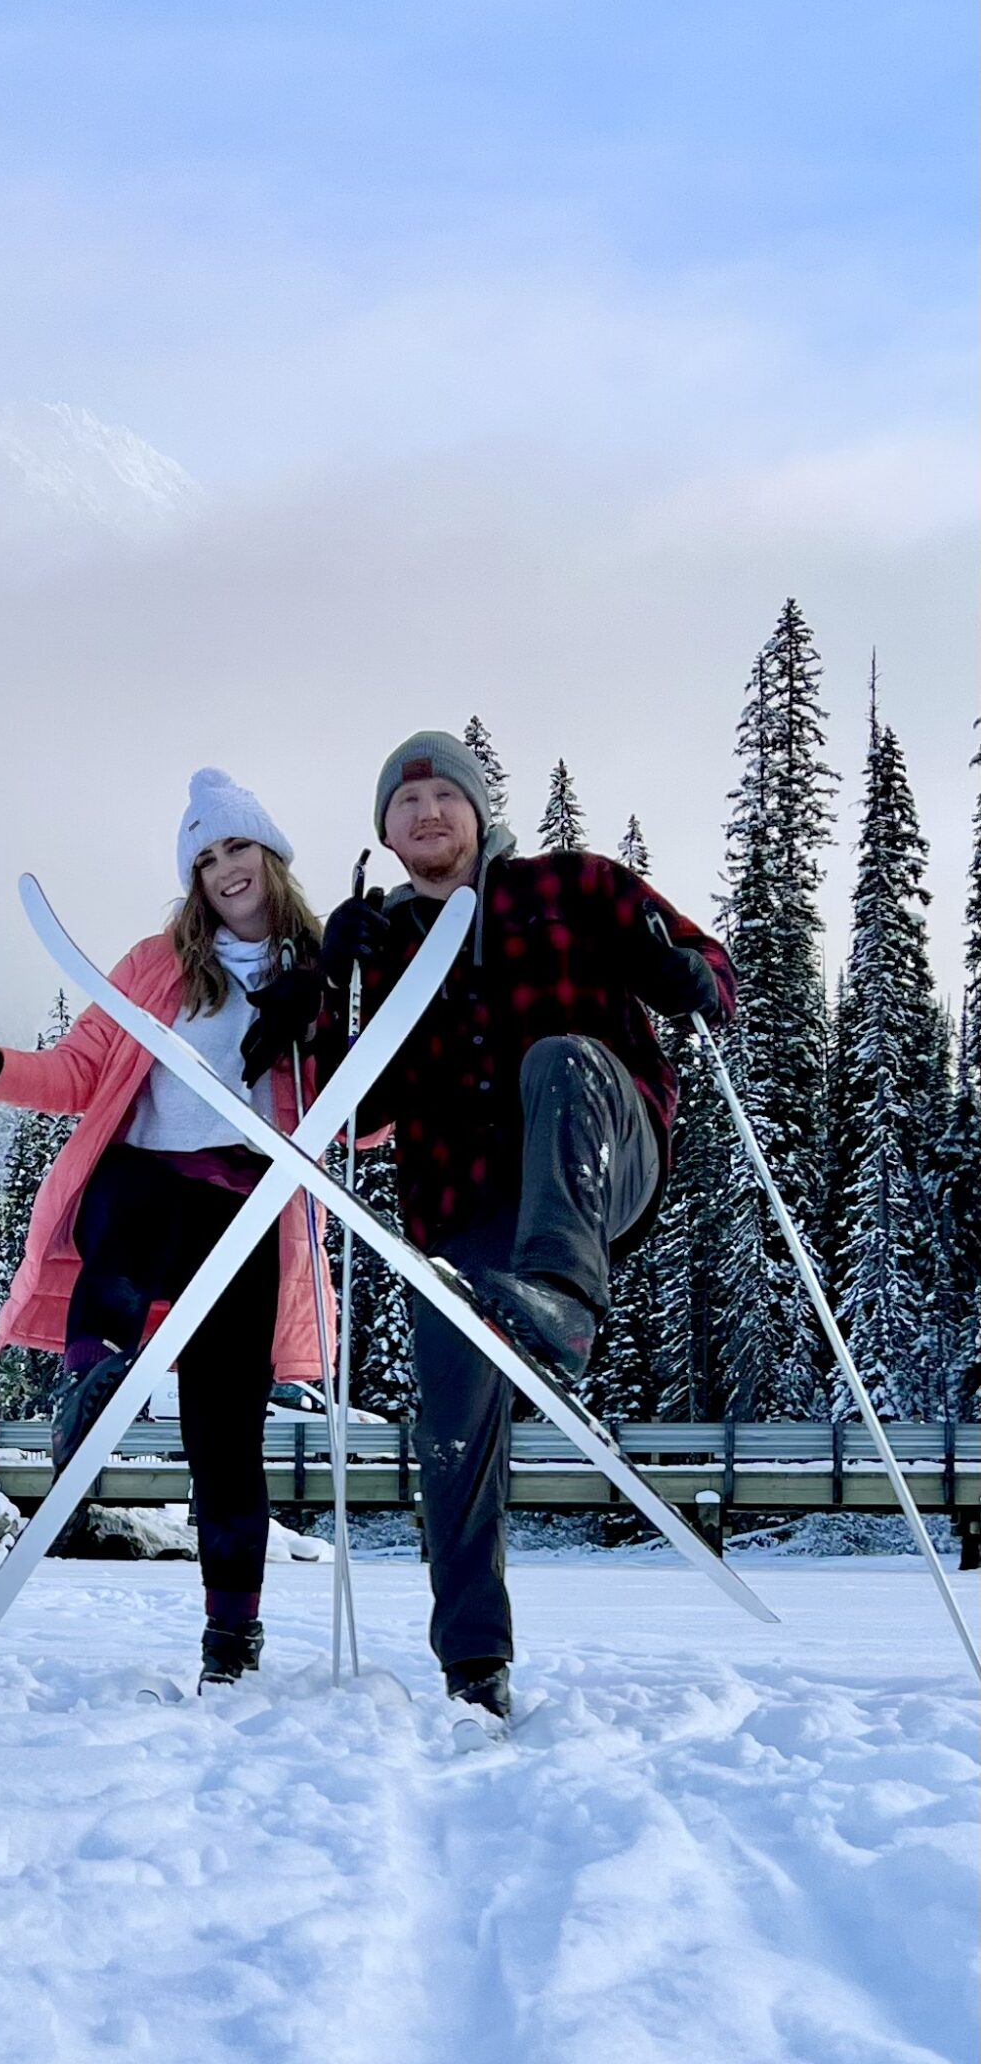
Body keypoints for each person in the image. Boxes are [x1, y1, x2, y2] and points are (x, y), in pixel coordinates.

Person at [245, 729, 734, 1729]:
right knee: (452, 1419)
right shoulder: (383, 942)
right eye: (404, 800)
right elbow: (356, 1109)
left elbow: (710, 972)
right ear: (386, 830)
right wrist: (332, 997)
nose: (425, 810)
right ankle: (474, 1662)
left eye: (442, 793)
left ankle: (561, 1298)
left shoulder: (573, 885)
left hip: (601, 1150)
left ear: (476, 809)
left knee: (558, 1057)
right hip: (466, 1213)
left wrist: (680, 970)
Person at [0, 770, 335, 1690]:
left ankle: (231, 1639)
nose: (224, 870)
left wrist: (324, 1037)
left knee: (224, 1436)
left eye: (235, 847)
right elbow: (79, 1073)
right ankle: (92, 1384)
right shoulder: (157, 965)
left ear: (269, 854)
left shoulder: (322, 968)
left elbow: (366, 1118)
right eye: (204, 858)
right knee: (125, 1195)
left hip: (248, 1218)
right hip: (148, 1185)